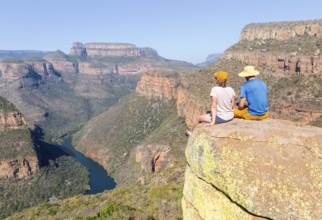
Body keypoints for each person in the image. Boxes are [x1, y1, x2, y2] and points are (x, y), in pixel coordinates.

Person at [185, 71, 235, 136]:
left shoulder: (215, 89)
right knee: (208, 114)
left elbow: (214, 106)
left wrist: (213, 122)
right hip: (230, 115)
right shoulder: (231, 89)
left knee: (198, 118)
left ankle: (191, 132)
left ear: (218, 79)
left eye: (216, 78)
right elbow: (232, 105)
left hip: (222, 117)